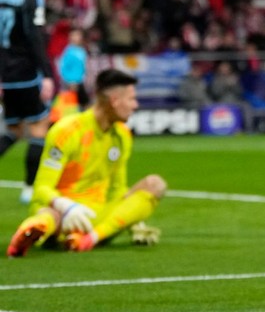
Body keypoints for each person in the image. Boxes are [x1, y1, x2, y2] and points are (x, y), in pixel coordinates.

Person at [7, 68, 166, 256]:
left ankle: (87, 238)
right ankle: (35, 232)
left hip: (96, 212)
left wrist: (133, 220)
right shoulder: (67, 131)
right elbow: (41, 188)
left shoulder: (122, 135)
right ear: (114, 101)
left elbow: (118, 190)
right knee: (48, 215)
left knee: (155, 184)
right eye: (131, 99)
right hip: (62, 210)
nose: (135, 105)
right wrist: (68, 207)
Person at [0, 0, 55, 205]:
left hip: (6, 74)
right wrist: (46, 74)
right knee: (39, 128)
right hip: (27, 72)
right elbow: (35, 38)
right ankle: (29, 188)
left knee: (13, 129)